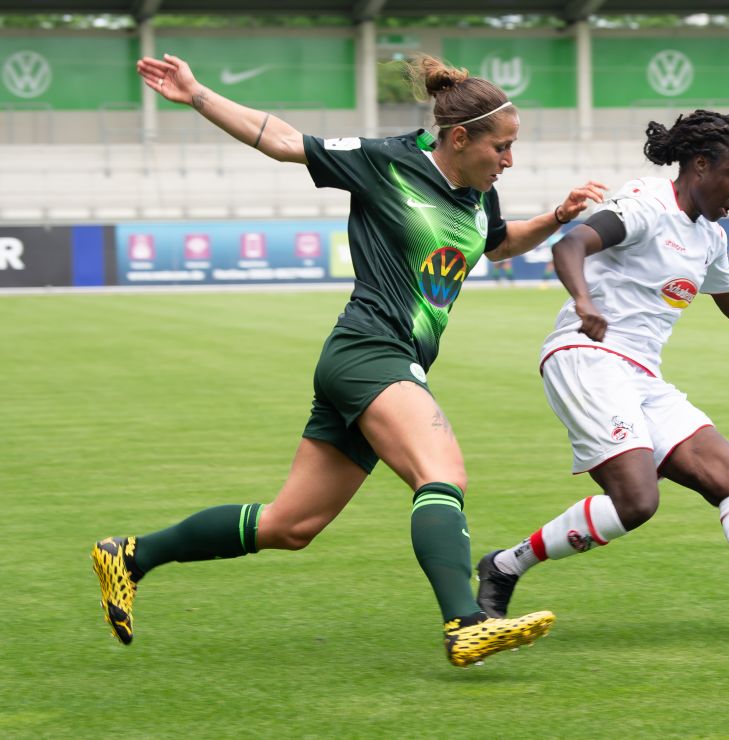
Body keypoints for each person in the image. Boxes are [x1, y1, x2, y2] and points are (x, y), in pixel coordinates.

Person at [91, 52, 605, 668]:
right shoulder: (386, 161)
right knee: (442, 472)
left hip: (378, 361)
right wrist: (198, 93)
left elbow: (496, 247)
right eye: (503, 146)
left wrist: (556, 216)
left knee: (290, 525)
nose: (510, 160)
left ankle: (130, 555)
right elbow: (281, 141)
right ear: (460, 137)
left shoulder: (475, 192)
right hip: (370, 350)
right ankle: (466, 621)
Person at [475, 110, 729, 644]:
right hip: (587, 355)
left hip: (641, 376)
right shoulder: (646, 205)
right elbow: (570, 245)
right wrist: (584, 301)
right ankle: (505, 566)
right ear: (701, 165)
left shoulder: (709, 237)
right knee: (636, 501)